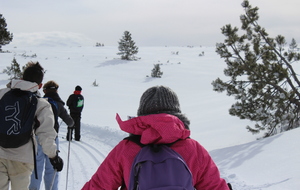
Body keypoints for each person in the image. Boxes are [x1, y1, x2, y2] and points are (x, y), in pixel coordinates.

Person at [81, 85, 230, 190]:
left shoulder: (126, 148)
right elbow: (215, 186)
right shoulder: (194, 148)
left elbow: (99, 185)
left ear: (142, 114)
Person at [0, 62, 63, 190]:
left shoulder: (2, 94)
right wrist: (53, 156)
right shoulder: (41, 104)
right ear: (39, 85)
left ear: (22, 78)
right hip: (22, 158)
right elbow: (46, 134)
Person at [29, 80, 74, 190]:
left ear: (44, 90)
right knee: (52, 167)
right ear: (56, 90)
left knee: (37, 168)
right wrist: (71, 124)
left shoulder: (40, 101)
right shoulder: (58, 104)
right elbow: (70, 121)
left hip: (37, 137)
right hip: (53, 138)